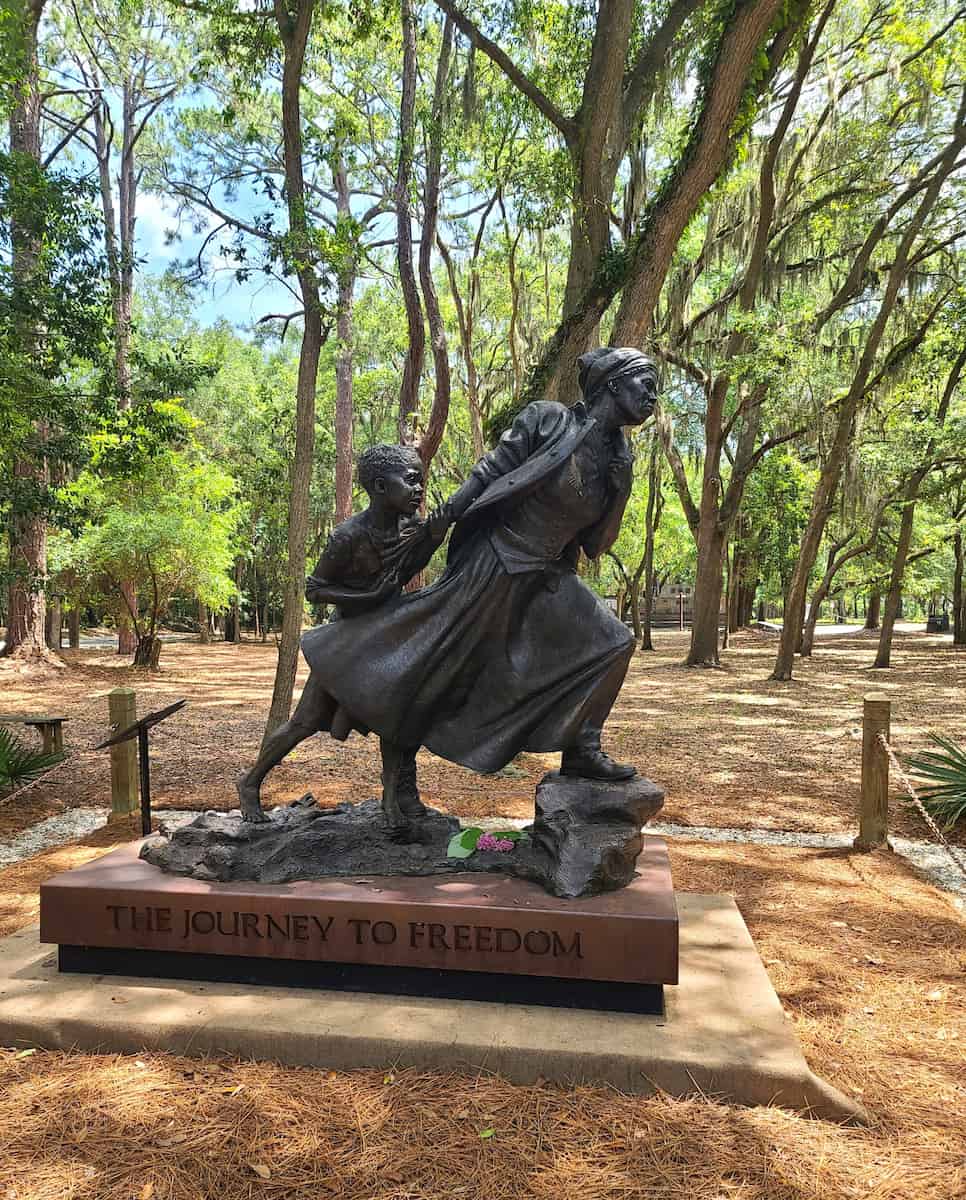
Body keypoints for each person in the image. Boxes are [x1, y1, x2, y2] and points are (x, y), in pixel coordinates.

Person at [290, 347, 658, 824]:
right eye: (645, 382)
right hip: (497, 562)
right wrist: (445, 518)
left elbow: (595, 545)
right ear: (612, 384)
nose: (653, 395)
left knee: (614, 642)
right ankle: (398, 783)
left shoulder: (618, 456)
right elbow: (492, 468)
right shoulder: (549, 420)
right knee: (439, 672)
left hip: (548, 574)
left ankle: (582, 747)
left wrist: (622, 488)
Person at [237, 444, 446, 829]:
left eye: (421, 481)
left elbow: (407, 564)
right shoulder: (348, 536)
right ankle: (250, 782)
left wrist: (435, 532)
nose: (420, 488)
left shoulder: (409, 528)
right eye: (412, 480)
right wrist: (366, 596)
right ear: (381, 487)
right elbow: (315, 588)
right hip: (348, 642)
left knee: (396, 717)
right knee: (306, 721)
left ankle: (392, 802)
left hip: (388, 637)